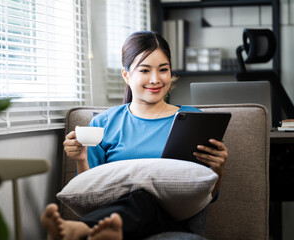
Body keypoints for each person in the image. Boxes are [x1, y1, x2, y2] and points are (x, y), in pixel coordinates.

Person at [41, 31, 228, 240]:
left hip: (173, 222)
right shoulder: (103, 124)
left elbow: (208, 197)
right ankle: (107, 230)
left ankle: (85, 230)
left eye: (163, 70)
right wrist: (81, 159)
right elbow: (90, 194)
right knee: (137, 195)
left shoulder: (194, 120)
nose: (155, 79)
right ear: (126, 75)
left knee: (142, 197)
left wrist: (218, 169)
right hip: (113, 218)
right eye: (145, 70)